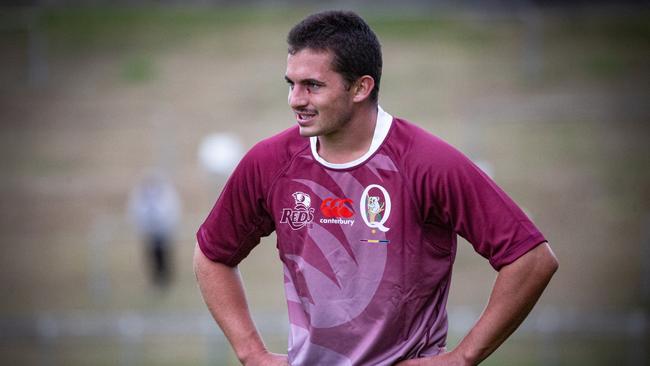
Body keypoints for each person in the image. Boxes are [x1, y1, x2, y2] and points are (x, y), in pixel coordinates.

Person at [194, 10, 558, 366]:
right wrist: (252, 354)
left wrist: (463, 357)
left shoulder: (426, 162)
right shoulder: (270, 162)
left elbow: (531, 260)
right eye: (292, 84)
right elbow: (212, 255)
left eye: (313, 86)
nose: (295, 99)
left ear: (360, 87)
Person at [129, 170, 181, 288]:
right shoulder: (141, 194)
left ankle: (165, 279)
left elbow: (172, 210)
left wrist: (168, 225)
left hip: (163, 230)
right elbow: (136, 211)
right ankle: (155, 280)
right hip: (149, 231)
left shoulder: (166, 193)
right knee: (151, 255)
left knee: (164, 254)